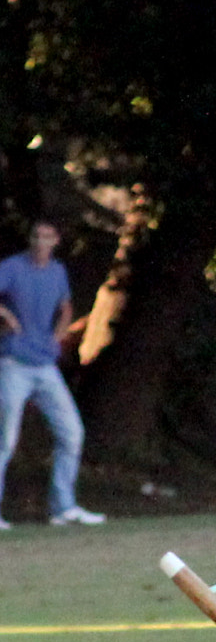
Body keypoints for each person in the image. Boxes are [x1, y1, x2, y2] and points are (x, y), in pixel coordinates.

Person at [0, 221, 105, 530]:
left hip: (44, 366)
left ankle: (63, 509)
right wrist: (5, 315)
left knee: (72, 432)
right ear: (30, 239)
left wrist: (58, 336)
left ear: (56, 241)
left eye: (47, 237)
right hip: (13, 363)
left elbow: (66, 306)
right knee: (5, 439)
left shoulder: (57, 271)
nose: (41, 242)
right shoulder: (11, 267)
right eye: (36, 237)